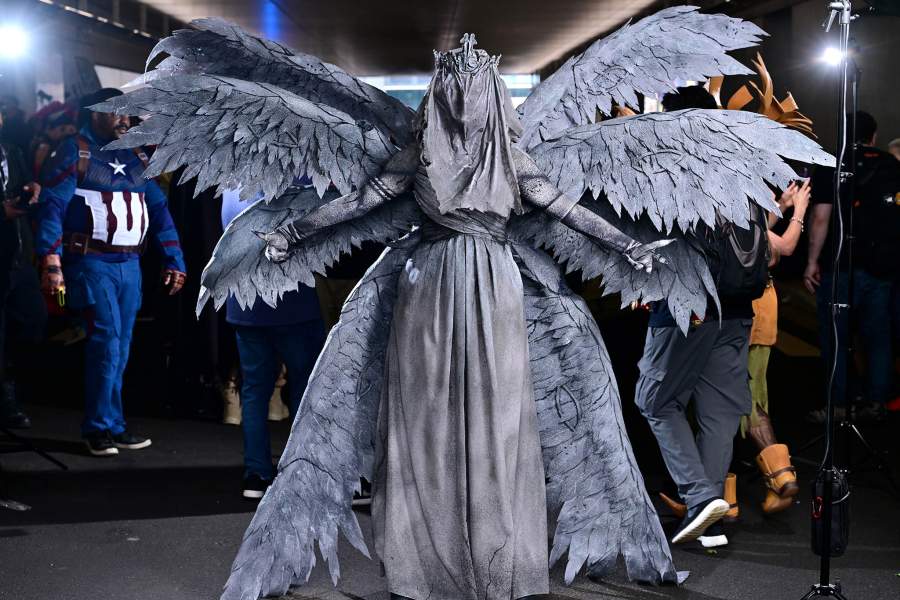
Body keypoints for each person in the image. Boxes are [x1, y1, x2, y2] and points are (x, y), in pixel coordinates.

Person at [634, 85, 764, 549]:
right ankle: (707, 515)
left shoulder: (676, 166)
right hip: (738, 308)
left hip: (688, 306)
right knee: (719, 413)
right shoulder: (742, 162)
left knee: (655, 400)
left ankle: (698, 495)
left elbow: (658, 234)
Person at [35, 88, 186, 456]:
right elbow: (51, 209)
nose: (123, 118)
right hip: (92, 263)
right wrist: (51, 264)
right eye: (115, 112)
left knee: (121, 345)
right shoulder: (76, 151)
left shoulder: (137, 153)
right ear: (95, 114)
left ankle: (113, 424)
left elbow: (161, 211)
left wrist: (175, 259)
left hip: (130, 265)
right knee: (106, 341)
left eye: (127, 113)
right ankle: (98, 427)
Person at [220, 188, 325, 498]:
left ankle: (255, 474)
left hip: (246, 303)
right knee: (305, 392)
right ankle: (303, 469)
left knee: (254, 391)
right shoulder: (298, 180)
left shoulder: (230, 184)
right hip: (293, 304)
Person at [804, 111, 900, 422]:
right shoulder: (890, 165)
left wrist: (812, 262)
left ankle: (840, 405)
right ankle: (876, 403)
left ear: (844, 133)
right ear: (873, 136)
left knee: (836, 337)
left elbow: (821, 217)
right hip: (881, 267)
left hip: (839, 264)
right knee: (878, 337)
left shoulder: (831, 162)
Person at [740, 180, 810, 514]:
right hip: (760, 308)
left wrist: (798, 213)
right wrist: (783, 209)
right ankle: (727, 495)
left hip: (748, 311)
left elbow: (780, 247)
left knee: (742, 400)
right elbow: (758, 235)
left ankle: (780, 477)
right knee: (746, 396)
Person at [0, 113, 45, 429]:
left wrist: (33, 187)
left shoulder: (11, 150)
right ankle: (6, 401)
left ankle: (12, 385)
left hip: (17, 253)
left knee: (33, 320)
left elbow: (25, 184)